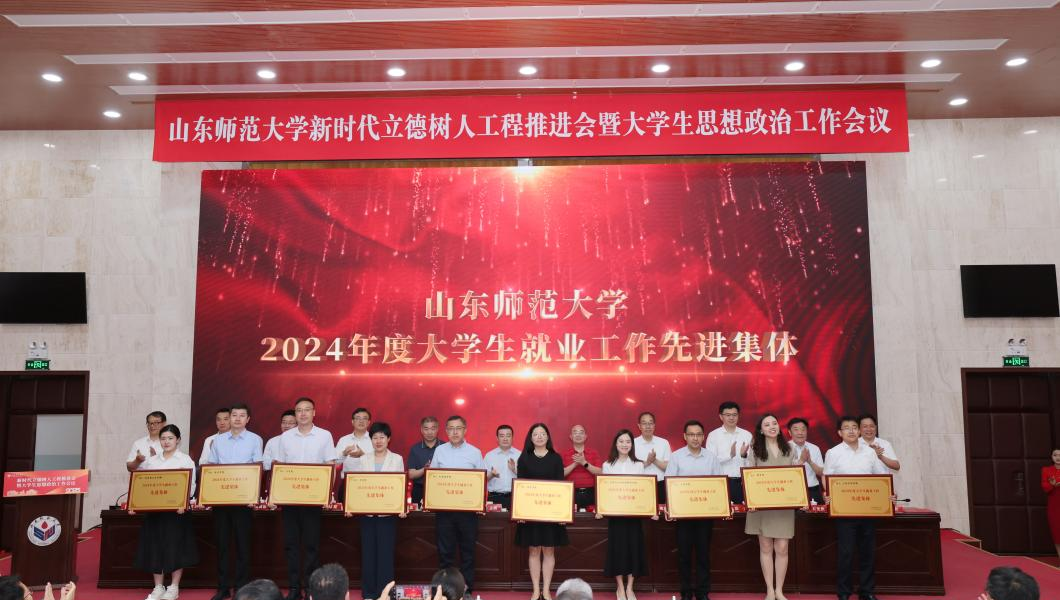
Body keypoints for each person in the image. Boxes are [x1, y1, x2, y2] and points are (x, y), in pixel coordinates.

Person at [273, 397, 337, 600]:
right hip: (290, 500)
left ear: (314, 413)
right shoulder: (285, 437)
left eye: (307, 410)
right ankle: (294, 588)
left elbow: (330, 465)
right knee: (291, 545)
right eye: (299, 410)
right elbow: (279, 467)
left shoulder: (324, 436)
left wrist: (326, 493)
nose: (302, 413)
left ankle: (310, 588)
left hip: (313, 500)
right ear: (295, 413)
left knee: (311, 545)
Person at [824, 415, 890, 600]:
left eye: (854, 427)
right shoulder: (833, 453)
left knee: (867, 552)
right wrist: (827, 494)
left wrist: (888, 494)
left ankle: (867, 591)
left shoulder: (870, 452)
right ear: (840, 433)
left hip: (868, 510)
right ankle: (844, 592)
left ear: (859, 431)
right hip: (844, 511)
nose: (851, 431)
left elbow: (880, 478)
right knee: (845, 553)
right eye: (846, 428)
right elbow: (827, 478)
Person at [132, 424, 199, 600]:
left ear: (178, 440)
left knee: (176, 547)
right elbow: (144, 485)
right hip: (155, 511)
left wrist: (183, 502)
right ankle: (158, 587)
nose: (166, 442)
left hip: (177, 512)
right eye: (163, 438)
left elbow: (191, 485)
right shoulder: (152, 461)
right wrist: (136, 504)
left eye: (170, 438)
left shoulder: (185, 460)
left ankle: (174, 587)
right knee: (155, 547)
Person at [207, 403, 264, 600]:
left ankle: (241, 588)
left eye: (242, 415)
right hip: (222, 501)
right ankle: (222, 587)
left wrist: (253, 496)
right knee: (222, 546)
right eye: (234, 415)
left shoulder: (255, 439)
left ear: (248, 419)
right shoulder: (218, 441)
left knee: (243, 546)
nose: (237, 418)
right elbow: (212, 467)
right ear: (229, 418)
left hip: (243, 501)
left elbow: (258, 467)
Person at [664, 420, 721, 600]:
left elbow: (719, 484)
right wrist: (671, 508)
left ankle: (703, 592)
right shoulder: (676, 457)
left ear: (703, 437)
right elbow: (669, 484)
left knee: (703, 554)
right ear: (685, 436)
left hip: (705, 514)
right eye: (691, 435)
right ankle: (686, 592)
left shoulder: (711, 457)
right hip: (683, 515)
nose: (695, 438)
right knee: (684, 555)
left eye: (698, 435)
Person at [348, 422, 406, 600]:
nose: (378, 441)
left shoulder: (397, 459)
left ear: (388, 439)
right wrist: (351, 506)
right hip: (367, 515)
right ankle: (369, 593)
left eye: (382, 437)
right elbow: (358, 486)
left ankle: (385, 593)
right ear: (371, 440)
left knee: (385, 555)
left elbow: (400, 486)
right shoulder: (363, 459)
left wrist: (401, 507)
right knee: (368, 554)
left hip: (387, 515)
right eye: (375, 437)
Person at [431, 415, 486, 594]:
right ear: (446, 431)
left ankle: (466, 590)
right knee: (445, 553)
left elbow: (481, 480)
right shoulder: (439, 451)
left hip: (467, 511)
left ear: (465, 430)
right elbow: (433, 478)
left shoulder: (475, 452)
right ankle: (445, 590)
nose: (455, 432)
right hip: (444, 511)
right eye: (451, 429)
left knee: (467, 552)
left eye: (458, 428)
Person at [597, 429, 655, 600]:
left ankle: (630, 588)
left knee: (633, 549)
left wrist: (651, 510)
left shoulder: (638, 465)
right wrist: (601, 509)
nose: (624, 444)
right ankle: (620, 588)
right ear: (616, 444)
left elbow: (644, 491)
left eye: (628, 441)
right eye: (621, 441)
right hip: (615, 517)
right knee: (617, 550)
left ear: (632, 444)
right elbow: (604, 491)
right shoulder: (607, 465)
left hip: (633, 516)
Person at [516, 423, 569, 600]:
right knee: (533, 551)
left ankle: (546, 590)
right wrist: (520, 513)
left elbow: (561, 486)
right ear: (530, 438)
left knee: (548, 551)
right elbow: (521, 486)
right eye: (535, 434)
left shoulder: (556, 458)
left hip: (551, 513)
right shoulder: (524, 458)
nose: (539, 436)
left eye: (543, 433)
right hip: (530, 513)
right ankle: (535, 590)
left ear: (548, 437)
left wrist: (562, 513)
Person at [745, 414, 794, 600]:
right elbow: (749, 477)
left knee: (782, 548)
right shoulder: (755, 450)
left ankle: (779, 590)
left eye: (774, 423)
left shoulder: (789, 449)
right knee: (765, 547)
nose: (772, 426)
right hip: (762, 506)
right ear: (761, 430)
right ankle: (770, 591)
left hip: (784, 505)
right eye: (767, 424)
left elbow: (795, 477)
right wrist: (751, 500)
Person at [705, 402, 752, 504]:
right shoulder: (713, 435)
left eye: (734, 415)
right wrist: (729, 455)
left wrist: (744, 456)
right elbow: (710, 461)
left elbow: (752, 463)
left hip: (743, 482)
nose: (731, 418)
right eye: (728, 415)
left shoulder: (747, 435)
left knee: (744, 512)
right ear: (721, 417)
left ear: (738, 416)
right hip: (723, 482)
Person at [562, 424, 603, 509]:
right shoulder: (564, 454)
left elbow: (600, 472)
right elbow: (561, 473)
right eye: (575, 432)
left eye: (581, 432)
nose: (578, 435)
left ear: (585, 437)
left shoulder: (594, 453)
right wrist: (575, 464)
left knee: (591, 517)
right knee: (573, 516)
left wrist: (584, 462)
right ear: (571, 437)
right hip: (571, 492)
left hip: (591, 493)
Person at [633, 412, 670, 501]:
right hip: (639, 485)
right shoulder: (632, 443)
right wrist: (647, 462)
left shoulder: (664, 442)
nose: (648, 426)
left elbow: (669, 467)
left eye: (650, 423)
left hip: (660, 485)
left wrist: (654, 460)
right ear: (639, 426)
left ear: (654, 425)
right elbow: (631, 467)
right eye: (644, 423)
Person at [786, 418, 825, 505]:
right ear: (790, 432)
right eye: (796, 429)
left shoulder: (814, 448)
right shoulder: (784, 448)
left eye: (803, 429)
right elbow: (783, 473)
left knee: (816, 514)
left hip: (813, 490)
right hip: (792, 490)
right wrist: (801, 461)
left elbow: (821, 472)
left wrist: (810, 461)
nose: (800, 433)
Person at [484, 424, 520, 509]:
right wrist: (492, 475)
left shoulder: (520, 455)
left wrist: (514, 470)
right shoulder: (489, 456)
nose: (505, 439)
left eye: (508, 436)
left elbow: (526, 479)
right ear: (497, 438)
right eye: (502, 436)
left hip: (515, 497)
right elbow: (483, 479)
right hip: (494, 498)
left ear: (512, 438)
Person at [408, 416, 441, 506]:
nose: (429, 432)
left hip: (441, 488)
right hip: (419, 489)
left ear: (437, 429)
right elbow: (411, 474)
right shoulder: (415, 449)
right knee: (418, 514)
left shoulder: (445, 447)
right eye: (426, 429)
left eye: (433, 429)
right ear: (421, 430)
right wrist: (425, 469)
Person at [336, 407, 374, 474]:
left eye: (364, 418)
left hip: (368, 478)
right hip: (348, 479)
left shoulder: (374, 440)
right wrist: (344, 453)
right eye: (358, 418)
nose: (361, 421)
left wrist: (363, 455)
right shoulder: (343, 440)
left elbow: (379, 464)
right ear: (352, 422)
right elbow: (335, 463)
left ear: (369, 422)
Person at [1042, 447, 1060, 560]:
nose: (1058, 457)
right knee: (1057, 533)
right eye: (1055, 455)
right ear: (1051, 457)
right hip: (1054, 506)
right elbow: (1045, 487)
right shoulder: (1046, 470)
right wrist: (1053, 485)